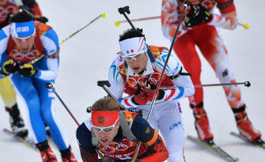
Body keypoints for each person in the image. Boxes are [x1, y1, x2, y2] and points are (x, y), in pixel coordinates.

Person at [161, 0, 263, 144]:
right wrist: (185, 25)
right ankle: (200, 118)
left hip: (206, 30)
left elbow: (233, 23)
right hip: (182, 36)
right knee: (193, 69)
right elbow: (167, 31)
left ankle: (242, 119)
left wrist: (210, 18)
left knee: (224, 70)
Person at [0, 10, 76, 162]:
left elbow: (53, 73)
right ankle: (45, 151)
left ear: (34, 33)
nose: (24, 44)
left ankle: (67, 154)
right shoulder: (2, 37)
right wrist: (4, 70)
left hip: (41, 68)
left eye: (28, 39)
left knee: (48, 112)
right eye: (18, 39)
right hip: (18, 72)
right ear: (12, 34)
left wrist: (35, 72)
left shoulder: (48, 35)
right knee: (32, 104)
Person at [107, 28, 194, 162]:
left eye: (137, 56)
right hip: (141, 112)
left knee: (175, 158)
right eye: (128, 58)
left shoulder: (164, 59)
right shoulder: (118, 68)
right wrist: (134, 101)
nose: (133, 62)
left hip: (168, 107)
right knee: (150, 156)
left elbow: (189, 89)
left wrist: (162, 95)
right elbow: (111, 105)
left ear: (145, 51)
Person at [0, 0, 47, 137]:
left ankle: (41, 116)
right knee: (5, 73)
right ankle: (15, 117)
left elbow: (38, 17)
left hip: (17, 39)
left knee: (29, 70)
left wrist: (37, 21)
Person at [76, 97, 169, 162]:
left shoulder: (136, 124)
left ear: (117, 124)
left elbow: (163, 153)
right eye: (97, 129)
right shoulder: (84, 132)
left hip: (142, 157)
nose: (102, 135)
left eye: (108, 129)